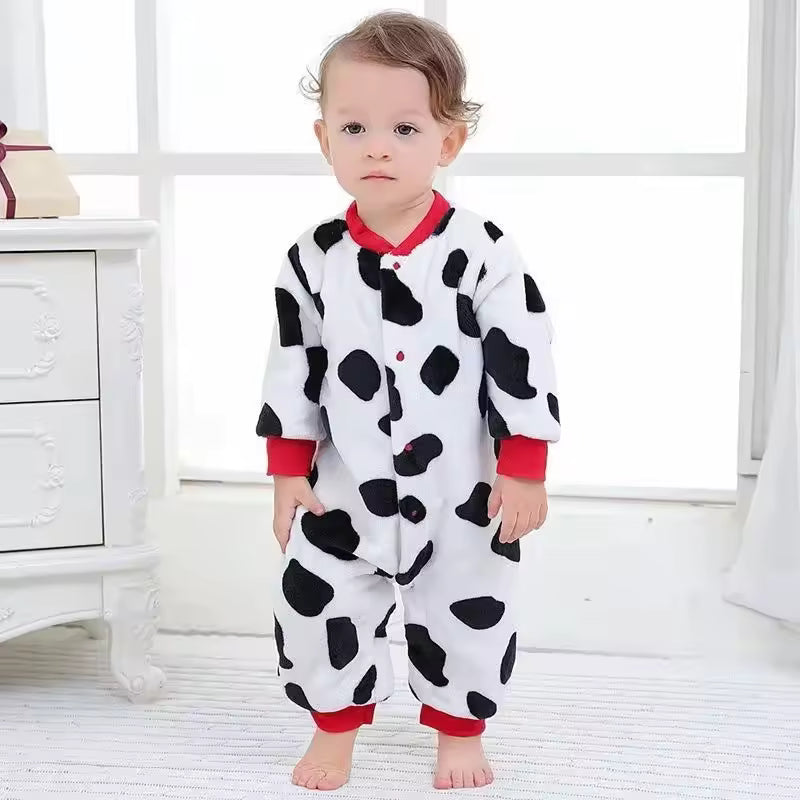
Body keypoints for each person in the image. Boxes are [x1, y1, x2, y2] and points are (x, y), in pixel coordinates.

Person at [256, 10, 561, 791]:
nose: (377, 147)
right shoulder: (313, 259)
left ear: (448, 142)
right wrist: (287, 471)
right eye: (354, 128)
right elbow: (293, 365)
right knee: (316, 606)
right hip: (345, 484)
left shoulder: (481, 250)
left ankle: (460, 732)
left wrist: (524, 465)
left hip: (460, 488)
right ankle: (333, 730)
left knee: (468, 605)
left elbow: (522, 354)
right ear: (324, 139)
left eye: (404, 128)